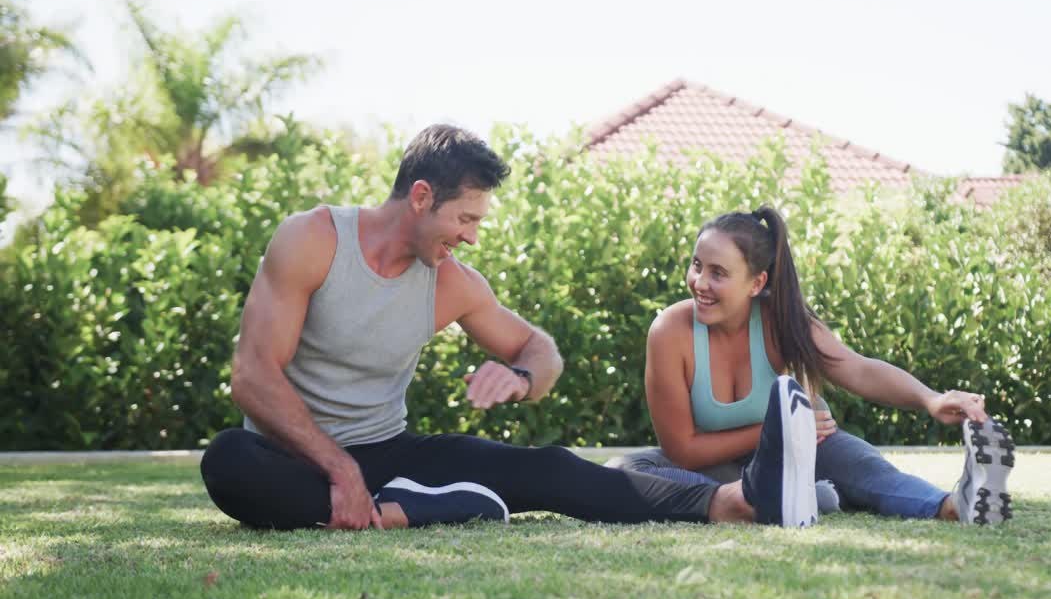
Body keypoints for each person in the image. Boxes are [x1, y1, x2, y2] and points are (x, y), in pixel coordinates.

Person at [199, 126, 821, 531]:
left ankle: (730, 502)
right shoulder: (311, 241)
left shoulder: (452, 282)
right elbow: (253, 378)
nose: (471, 235)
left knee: (549, 466)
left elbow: (541, 351)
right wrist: (339, 471)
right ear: (420, 196)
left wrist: (521, 377)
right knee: (227, 462)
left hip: (389, 453)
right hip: (288, 456)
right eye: (465, 217)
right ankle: (411, 511)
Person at [607, 206, 1015, 525]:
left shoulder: (782, 321)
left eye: (718, 273)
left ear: (757, 283)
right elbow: (683, 450)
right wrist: (780, 429)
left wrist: (930, 399)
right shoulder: (670, 332)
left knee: (867, 472)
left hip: (803, 451)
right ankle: (791, 496)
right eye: (697, 265)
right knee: (625, 468)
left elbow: (855, 368)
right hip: (714, 467)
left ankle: (955, 505)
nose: (699, 283)